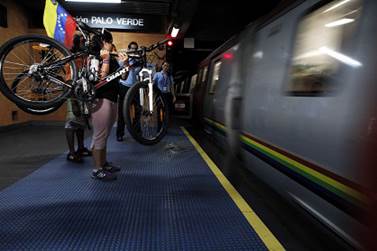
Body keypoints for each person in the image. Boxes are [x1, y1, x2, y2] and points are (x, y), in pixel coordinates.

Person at [90, 30, 125, 181]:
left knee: (105, 134)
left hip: (112, 99)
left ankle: (103, 163)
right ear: (103, 42)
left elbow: (123, 76)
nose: (112, 44)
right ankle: (97, 169)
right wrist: (105, 59)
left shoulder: (112, 58)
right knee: (99, 135)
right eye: (110, 41)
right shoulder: (95, 57)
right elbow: (99, 78)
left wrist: (125, 64)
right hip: (100, 99)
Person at [65, 32, 91, 163]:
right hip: (72, 89)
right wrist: (73, 99)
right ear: (76, 42)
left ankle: (81, 148)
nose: (84, 43)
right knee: (71, 121)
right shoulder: (71, 56)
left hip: (82, 91)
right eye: (82, 41)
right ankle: (71, 153)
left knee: (81, 122)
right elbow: (69, 78)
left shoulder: (84, 55)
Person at [116, 41, 141, 142]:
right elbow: (121, 68)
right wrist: (127, 60)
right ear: (128, 49)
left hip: (134, 87)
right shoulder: (122, 59)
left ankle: (136, 131)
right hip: (124, 87)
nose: (133, 50)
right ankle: (120, 134)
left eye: (135, 49)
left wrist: (135, 60)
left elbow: (136, 71)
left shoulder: (138, 61)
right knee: (122, 111)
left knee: (138, 109)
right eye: (132, 48)